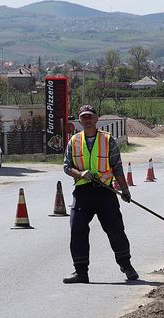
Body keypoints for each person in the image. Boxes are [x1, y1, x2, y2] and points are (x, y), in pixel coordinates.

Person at [62, 104, 137, 284]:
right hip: (82, 192)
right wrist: (80, 173)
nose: (87, 120)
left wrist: (124, 189)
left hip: (105, 192)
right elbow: (66, 167)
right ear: (79, 120)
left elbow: (117, 166)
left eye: (90, 116)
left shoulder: (107, 140)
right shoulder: (74, 141)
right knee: (77, 230)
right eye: (83, 117)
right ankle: (81, 272)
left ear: (97, 119)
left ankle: (126, 265)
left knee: (115, 230)